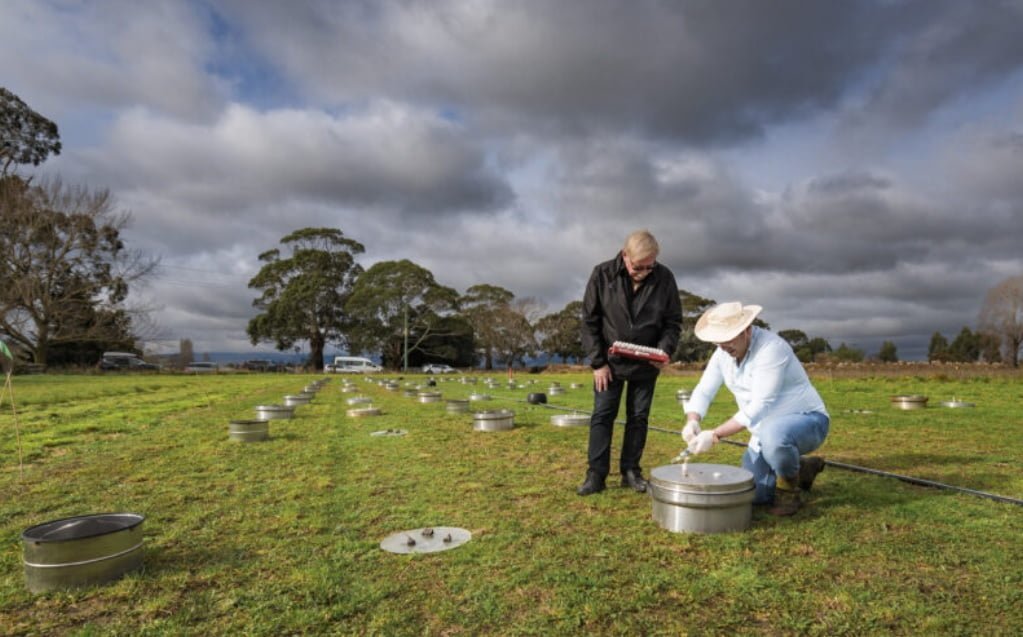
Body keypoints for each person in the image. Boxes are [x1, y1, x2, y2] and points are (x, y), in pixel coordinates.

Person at [681, 302, 829, 516]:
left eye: (728, 338)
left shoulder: (772, 349)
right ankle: (802, 468)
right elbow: (704, 390)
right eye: (718, 341)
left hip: (808, 421)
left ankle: (788, 492)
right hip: (763, 432)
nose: (723, 346)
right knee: (756, 495)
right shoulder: (722, 353)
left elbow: (760, 405)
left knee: (775, 437)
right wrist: (692, 420)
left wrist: (715, 434)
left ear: (747, 330)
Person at [578, 230, 682, 496]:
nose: (644, 273)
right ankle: (596, 475)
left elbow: (672, 322)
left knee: (638, 417)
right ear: (625, 256)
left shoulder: (665, 278)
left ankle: (631, 471)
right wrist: (598, 363)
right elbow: (590, 322)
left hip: (646, 364)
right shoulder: (601, 275)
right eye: (639, 267)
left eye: (650, 267)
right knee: (603, 415)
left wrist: (664, 351)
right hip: (608, 364)